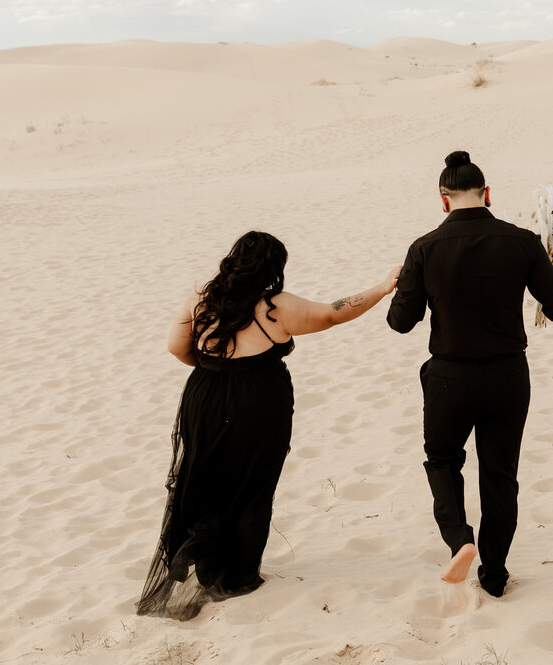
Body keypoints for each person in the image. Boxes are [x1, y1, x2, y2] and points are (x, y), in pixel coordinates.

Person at [137, 230, 399, 620]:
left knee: (203, 473)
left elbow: (177, 348)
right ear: (273, 268)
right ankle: (237, 575)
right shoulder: (275, 306)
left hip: (204, 394)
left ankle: (196, 543)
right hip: (259, 398)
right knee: (252, 482)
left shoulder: (200, 298)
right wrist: (383, 287)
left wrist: (214, 371)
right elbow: (332, 313)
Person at [386, 151, 553, 597]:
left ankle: (459, 541)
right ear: (487, 194)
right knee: (500, 474)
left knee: (443, 460)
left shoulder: (424, 247)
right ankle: (494, 574)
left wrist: (399, 283)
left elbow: (400, 322)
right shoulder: (523, 242)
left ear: (443, 198)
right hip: (508, 376)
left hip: (450, 377)